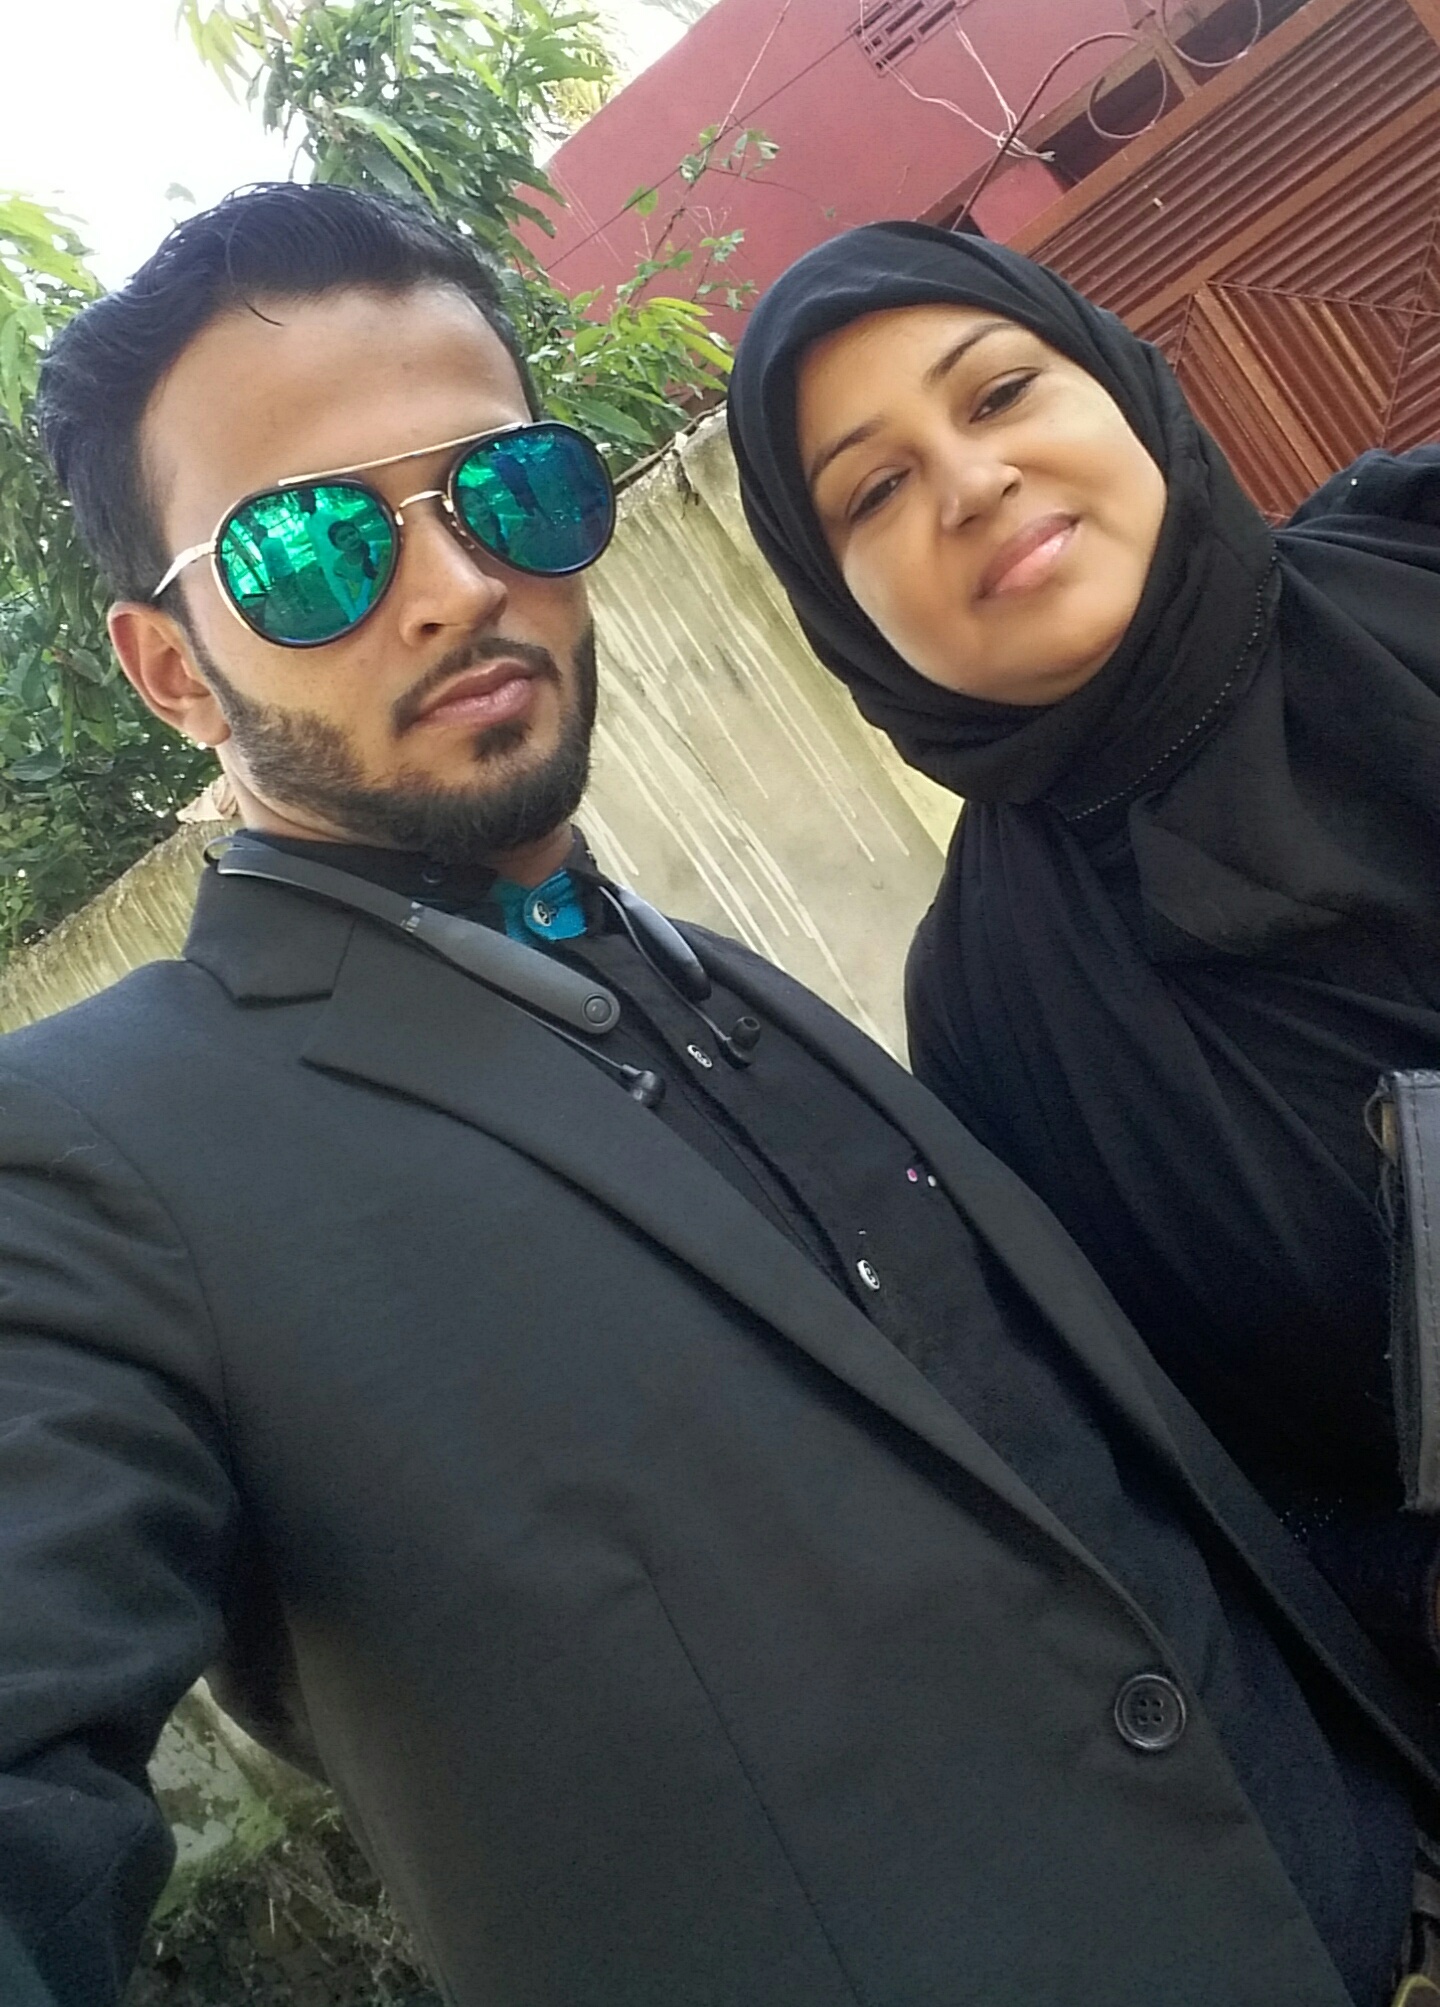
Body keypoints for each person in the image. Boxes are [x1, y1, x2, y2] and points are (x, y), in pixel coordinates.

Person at [3, 184, 1440, 2007]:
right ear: (167, 669)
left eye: (506, 490)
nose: (453, 588)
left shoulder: (746, 999)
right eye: (308, 550)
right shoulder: (97, 1154)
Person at [727, 219, 1440, 1678]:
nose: (973, 483)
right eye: (874, 490)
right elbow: (1205, 1489)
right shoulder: (991, 1017)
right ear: (835, 603)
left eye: (1000, 393)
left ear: (1118, 384)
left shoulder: (1421, 560)